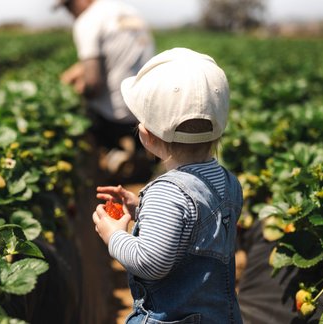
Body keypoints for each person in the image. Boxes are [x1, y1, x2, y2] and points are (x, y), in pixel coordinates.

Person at [92, 48, 244, 323]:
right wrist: (142, 209)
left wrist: (113, 234)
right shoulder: (229, 182)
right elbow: (195, 228)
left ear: (147, 137)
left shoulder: (168, 192)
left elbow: (151, 263)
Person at [55, 0, 156, 181]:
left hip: (114, 115)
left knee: (81, 108)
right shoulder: (129, 12)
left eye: (69, 6)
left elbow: (93, 84)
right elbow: (118, 56)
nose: (69, 13)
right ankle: (141, 153)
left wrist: (75, 91)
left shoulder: (88, 20)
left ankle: (111, 155)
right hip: (146, 107)